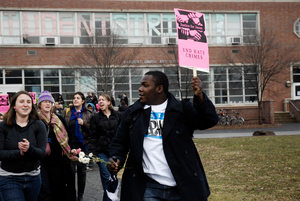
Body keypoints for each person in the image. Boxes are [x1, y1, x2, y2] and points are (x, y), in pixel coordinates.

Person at [107, 71, 219, 201]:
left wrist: (200, 96)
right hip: (147, 186)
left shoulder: (181, 109)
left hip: (182, 186)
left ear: (159, 89)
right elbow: (120, 142)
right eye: (141, 85)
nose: (140, 89)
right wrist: (115, 159)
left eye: (145, 85)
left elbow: (210, 120)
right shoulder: (133, 113)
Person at [0, 90, 47, 201]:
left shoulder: (39, 125)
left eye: (28, 102)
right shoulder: (3, 126)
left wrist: (29, 149)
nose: (25, 104)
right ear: (14, 106)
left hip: (33, 177)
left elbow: (42, 153)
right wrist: (19, 152)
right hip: (9, 178)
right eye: (21, 101)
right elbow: (0, 153)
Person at [37, 91, 77, 201]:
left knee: (57, 188)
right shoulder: (35, 120)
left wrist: (71, 148)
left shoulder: (59, 119)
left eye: (49, 101)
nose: (47, 104)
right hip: (41, 161)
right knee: (44, 190)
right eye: (44, 101)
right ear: (40, 104)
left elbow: (69, 136)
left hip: (57, 161)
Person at [88, 94, 121, 201]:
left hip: (115, 153)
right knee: (107, 178)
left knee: (113, 180)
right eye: (99, 100)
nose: (100, 102)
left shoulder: (117, 116)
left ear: (109, 102)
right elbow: (92, 137)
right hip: (102, 153)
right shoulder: (95, 118)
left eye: (103, 100)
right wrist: (93, 154)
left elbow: (122, 134)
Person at [62, 92, 93, 201]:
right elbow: (63, 129)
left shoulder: (89, 113)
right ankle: (72, 194)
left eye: (78, 98)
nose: (75, 100)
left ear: (83, 101)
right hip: (70, 147)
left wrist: (84, 123)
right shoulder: (67, 113)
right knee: (70, 173)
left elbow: (93, 130)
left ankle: (80, 196)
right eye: (74, 98)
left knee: (82, 172)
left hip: (83, 146)